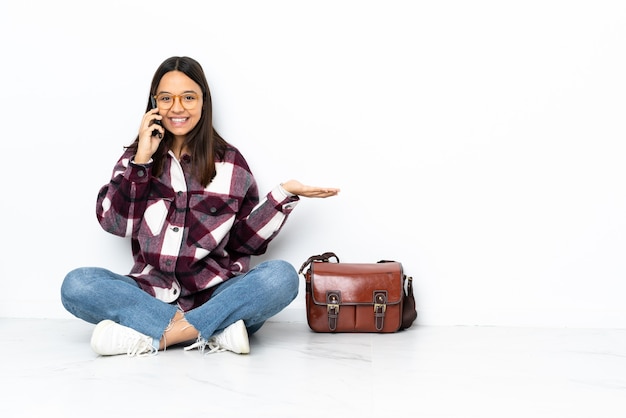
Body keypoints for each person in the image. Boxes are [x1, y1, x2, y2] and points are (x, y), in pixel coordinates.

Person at [60, 56, 339, 357]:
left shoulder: (231, 163)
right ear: (154, 103)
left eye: (188, 97)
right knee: (77, 284)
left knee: (280, 277)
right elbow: (117, 224)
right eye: (166, 98)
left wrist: (283, 195)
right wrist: (141, 162)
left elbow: (243, 243)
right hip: (150, 294)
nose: (177, 107)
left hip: (218, 295)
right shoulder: (135, 159)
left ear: (203, 101)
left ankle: (156, 335)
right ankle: (213, 331)